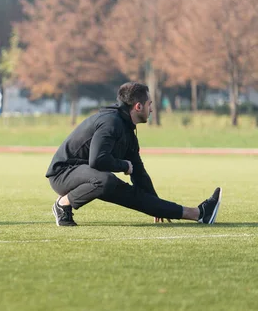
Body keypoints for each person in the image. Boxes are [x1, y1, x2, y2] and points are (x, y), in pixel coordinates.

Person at [46, 82, 222, 227]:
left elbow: (139, 173)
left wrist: (157, 206)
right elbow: (97, 160)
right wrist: (123, 165)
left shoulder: (128, 132)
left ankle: (199, 213)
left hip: (92, 177)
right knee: (106, 180)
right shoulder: (111, 123)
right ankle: (62, 205)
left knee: (129, 193)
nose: (151, 110)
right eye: (149, 104)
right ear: (138, 106)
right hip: (63, 173)